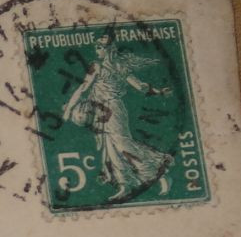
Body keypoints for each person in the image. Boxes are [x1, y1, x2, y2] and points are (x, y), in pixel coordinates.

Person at [61, 33, 175, 201]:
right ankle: (125, 185)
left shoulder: (119, 66)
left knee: (123, 145)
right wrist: (69, 109)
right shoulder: (96, 66)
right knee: (111, 149)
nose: (97, 49)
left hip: (113, 109)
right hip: (99, 112)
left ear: (110, 50)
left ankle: (157, 174)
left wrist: (158, 92)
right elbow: (83, 88)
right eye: (97, 46)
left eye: (100, 47)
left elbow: (140, 86)